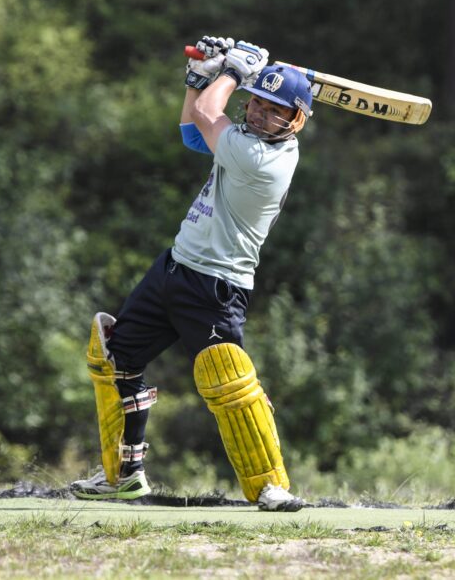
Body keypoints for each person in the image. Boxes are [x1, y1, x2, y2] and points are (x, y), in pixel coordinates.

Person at [70, 36, 312, 512]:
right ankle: (123, 474)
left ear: (296, 119)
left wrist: (231, 74)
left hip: (217, 286)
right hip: (175, 266)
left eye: (275, 110)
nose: (262, 114)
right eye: (257, 104)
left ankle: (270, 485)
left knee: (228, 380)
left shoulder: (263, 159)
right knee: (115, 358)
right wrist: (201, 77)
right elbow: (191, 128)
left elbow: (206, 114)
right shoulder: (242, 140)